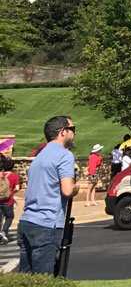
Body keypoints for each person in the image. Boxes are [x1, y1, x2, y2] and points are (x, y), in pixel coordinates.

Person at [18, 115, 78, 275]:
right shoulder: (65, 155)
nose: (74, 133)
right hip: (47, 224)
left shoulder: (39, 157)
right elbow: (67, 190)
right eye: (72, 129)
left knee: (26, 279)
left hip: (27, 221)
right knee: (44, 278)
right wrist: (76, 187)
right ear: (62, 132)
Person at [0, 154, 20, 245]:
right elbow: (17, 188)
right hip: (8, 201)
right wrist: (11, 193)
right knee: (9, 217)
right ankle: (3, 231)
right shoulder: (15, 176)